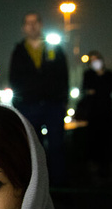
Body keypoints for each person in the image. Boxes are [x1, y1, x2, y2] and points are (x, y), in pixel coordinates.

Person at [9, 12, 68, 186]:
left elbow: (63, 75)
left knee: (57, 146)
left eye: (35, 22)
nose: (32, 26)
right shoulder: (19, 51)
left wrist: (62, 100)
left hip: (53, 105)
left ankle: (59, 185)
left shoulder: (54, 48)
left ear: (41, 25)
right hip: (28, 106)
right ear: (23, 28)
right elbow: (13, 78)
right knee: (34, 150)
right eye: (28, 23)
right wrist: (19, 103)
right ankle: (38, 185)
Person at [76, 51, 112, 178]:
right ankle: (92, 167)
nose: (95, 62)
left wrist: (96, 91)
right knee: (93, 140)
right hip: (93, 114)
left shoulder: (109, 74)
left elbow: (107, 89)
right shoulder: (88, 74)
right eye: (92, 61)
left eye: (96, 59)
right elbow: (87, 89)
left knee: (106, 140)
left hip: (106, 114)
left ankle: (105, 168)